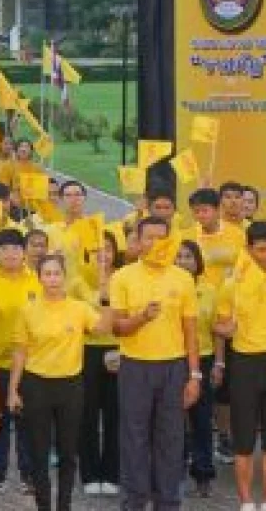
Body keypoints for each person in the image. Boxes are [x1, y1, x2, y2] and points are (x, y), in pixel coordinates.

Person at [110, 216, 200, 511]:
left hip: (174, 368)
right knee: (134, 438)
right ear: (137, 240)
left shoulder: (183, 278)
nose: (155, 244)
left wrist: (194, 374)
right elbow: (118, 328)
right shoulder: (123, 277)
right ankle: (134, 501)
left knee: (170, 439)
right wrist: (142, 318)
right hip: (135, 366)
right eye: (148, 238)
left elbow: (190, 331)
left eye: (161, 238)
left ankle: (168, 501)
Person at [7, 253, 110, 511]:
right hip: (36, 385)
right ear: (40, 278)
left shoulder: (79, 308)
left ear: (65, 277)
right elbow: (20, 351)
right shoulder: (28, 310)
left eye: (57, 274)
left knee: (67, 452)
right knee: (39, 451)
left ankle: (64, 504)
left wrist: (105, 293)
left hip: (70, 386)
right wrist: (12, 390)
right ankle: (43, 504)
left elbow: (102, 328)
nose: (53, 279)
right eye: (47, 274)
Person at [214, 219, 266, 511]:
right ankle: (246, 501)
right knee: (243, 435)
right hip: (244, 363)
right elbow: (218, 327)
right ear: (248, 248)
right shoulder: (232, 284)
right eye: (261, 249)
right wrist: (226, 329)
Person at [0, 227, 40, 494]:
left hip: (30, 363)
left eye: (15, 248)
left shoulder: (36, 279)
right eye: (4, 249)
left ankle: (28, 474)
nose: (11, 253)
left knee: (27, 422)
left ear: (24, 252)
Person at [72, 230, 122, 497]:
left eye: (108, 250)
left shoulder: (124, 278)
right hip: (87, 352)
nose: (103, 255)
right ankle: (90, 472)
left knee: (116, 414)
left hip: (119, 350)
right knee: (87, 415)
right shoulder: (79, 282)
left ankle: (112, 472)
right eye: (96, 250)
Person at [176, 239, 218, 498]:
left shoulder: (210, 290)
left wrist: (220, 363)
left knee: (201, 420)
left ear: (198, 261)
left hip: (202, 358)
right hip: (172, 360)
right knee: (174, 419)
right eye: (178, 257)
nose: (183, 261)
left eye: (188, 256)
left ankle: (203, 472)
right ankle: (175, 471)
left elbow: (217, 330)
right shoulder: (165, 288)